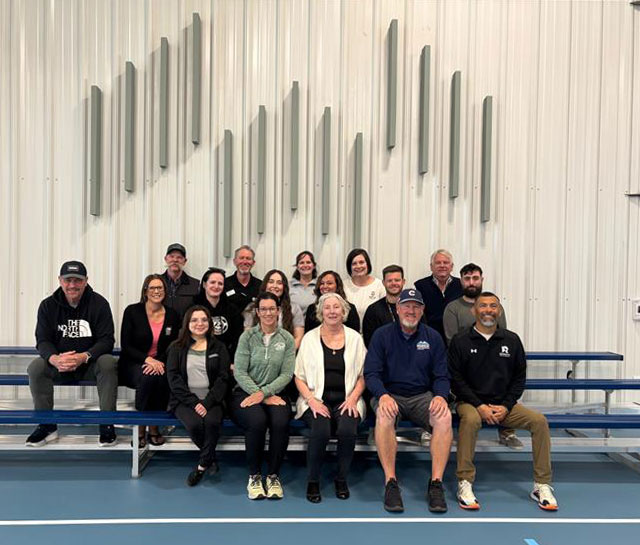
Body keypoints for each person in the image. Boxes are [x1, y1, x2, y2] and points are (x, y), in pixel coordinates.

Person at [448, 292, 558, 511]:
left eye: (493, 306)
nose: (488, 310)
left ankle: (541, 484)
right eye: (483, 306)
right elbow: (455, 379)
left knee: (539, 421)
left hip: (503, 405)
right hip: (470, 403)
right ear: (474, 310)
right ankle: (465, 482)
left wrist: (506, 406)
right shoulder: (461, 341)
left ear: (498, 311)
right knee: (470, 421)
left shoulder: (511, 340)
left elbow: (519, 378)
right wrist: (479, 406)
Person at [364, 288, 452, 513]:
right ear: (397, 308)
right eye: (406, 305)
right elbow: (371, 373)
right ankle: (390, 483)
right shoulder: (382, 335)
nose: (410, 311)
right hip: (389, 394)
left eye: (415, 306)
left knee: (444, 418)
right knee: (384, 417)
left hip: (422, 396)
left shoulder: (433, 337)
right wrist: (382, 395)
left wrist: (441, 397)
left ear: (422, 311)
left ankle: (436, 484)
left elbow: (442, 375)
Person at [26, 261, 118, 447]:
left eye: (78, 280)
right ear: (60, 281)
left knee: (108, 362)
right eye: (68, 280)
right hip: (60, 365)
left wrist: (85, 356)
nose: (72, 285)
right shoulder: (48, 306)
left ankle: (107, 423)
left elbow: (107, 340)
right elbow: (42, 340)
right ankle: (46, 426)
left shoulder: (99, 304)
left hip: (89, 364)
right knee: (36, 367)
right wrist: (55, 359)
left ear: (86, 281)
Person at [295, 293, 367, 503]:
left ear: (343, 311)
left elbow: (364, 375)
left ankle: (341, 478)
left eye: (337, 307)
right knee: (321, 430)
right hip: (316, 399)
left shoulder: (355, 338)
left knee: (347, 430)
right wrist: (311, 400)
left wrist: (353, 398)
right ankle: (313, 481)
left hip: (347, 399)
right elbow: (298, 377)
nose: (332, 311)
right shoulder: (309, 338)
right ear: (321, 312)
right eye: (328, 308)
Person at [442, 263, 520, 450]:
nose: (471, 282)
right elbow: (451, 342)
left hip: (493, 365)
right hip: (466, 366)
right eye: (467, 278)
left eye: (475, 278)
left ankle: (507, 432)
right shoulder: (453, 308)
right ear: (461, 281)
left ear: (481, 280)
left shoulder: (494, 306)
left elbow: (503, 338)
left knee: (503, 381)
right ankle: (467, 433)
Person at [232, 292, 295, 500]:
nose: (268, 313)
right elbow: (240, 372)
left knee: (280, 421)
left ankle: (273, 476)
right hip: (245, 392)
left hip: (276, 392)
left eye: (272, 309)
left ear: (278, 311)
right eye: (264, 309)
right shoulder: (247, 337)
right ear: (257, 312)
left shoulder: (287, 338)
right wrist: (259, 394)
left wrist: (265, 394)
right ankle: (255, 476)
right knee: (257, 421)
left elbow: (287, 374)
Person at [166, 306, 230, 486]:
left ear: (210, 323)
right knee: (194, 424)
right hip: (184, 401)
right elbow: (174, 379)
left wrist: (208, 402)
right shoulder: (176, 347)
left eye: (204, 320)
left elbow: (223, 378)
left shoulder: (219, 347)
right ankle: (210, 457)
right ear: (187, 323)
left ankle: (202, 465)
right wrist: (194, 403)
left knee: (212, 422)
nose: (199, 324)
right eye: (194, 320)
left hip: (213, 399)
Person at [118, 274, 180, 446]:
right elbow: (126, 345)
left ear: (165, 291)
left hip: (160, 362)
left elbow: (173, 345)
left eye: (160, 288)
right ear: (145, 291)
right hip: (133, 363)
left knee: (159, 377)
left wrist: (158, 362)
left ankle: (154, 428)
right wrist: (148, 360)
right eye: (152, 287)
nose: (156, 291)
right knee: (148, 377)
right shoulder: (132, 311)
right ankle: (140, 429)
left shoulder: (173, 315)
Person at [362, 264, 429, 347]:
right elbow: (370, 343)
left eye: (397, 280)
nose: (393, 283)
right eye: (389, 281)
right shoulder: (373, 310)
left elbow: (424, 336)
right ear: (383, 283)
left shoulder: (415, 308)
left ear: (403, 282)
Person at [244, 270, 305, 350]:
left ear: (284, 287)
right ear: (265, 285)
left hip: (286, 355)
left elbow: (298, 337)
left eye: (279, 283)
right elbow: (247, 337)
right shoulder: (252, 308)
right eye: (271, 282)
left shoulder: (294, 308)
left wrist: (286, 354)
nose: (275, 286)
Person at [193, 267, 244, 361]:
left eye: (220, 283)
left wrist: (232, 361)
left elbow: (238, 339)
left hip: (226, 359)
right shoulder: (193, 308)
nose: (216, 286)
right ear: (204, 284)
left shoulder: (232, 310)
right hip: (199, 358)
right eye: (212, 282)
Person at [414, 249, 463, 340]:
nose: (442, 265)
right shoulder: (420, 286)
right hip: (429, 337)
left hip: (456, 338)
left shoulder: (461, 285)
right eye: (438, 263)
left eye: (445, 262)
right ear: (431, 267)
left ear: (451, 267)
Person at [343, 248, 386, 323]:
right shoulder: (343, 285)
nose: (358, 266)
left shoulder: (379, 285)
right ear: (349, 267)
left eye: (361, 262)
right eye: (354, 263)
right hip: (349, 332)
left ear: (367, 264)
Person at [160, 243, 199, 319]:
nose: (175, 260)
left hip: (185, 329)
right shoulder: (156, 283)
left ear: (185, 261)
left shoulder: (195, 285)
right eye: (171, 256)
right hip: (160, 329)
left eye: (179, 257)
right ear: (165, 259)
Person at [224, 245, 262, 313]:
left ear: (253, 263)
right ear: (235, 261)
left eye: (248, 258)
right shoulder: (224, 284)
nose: (245, 262)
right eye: (241, 258)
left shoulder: (261, 286)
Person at [289, 250, 318, 316]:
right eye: (301, 263)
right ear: (297, 267)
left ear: (314, 266)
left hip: (314, 324)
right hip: (292, 325)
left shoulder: (320, 286)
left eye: (308, 262)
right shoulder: (289, 286)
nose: (305, 265)